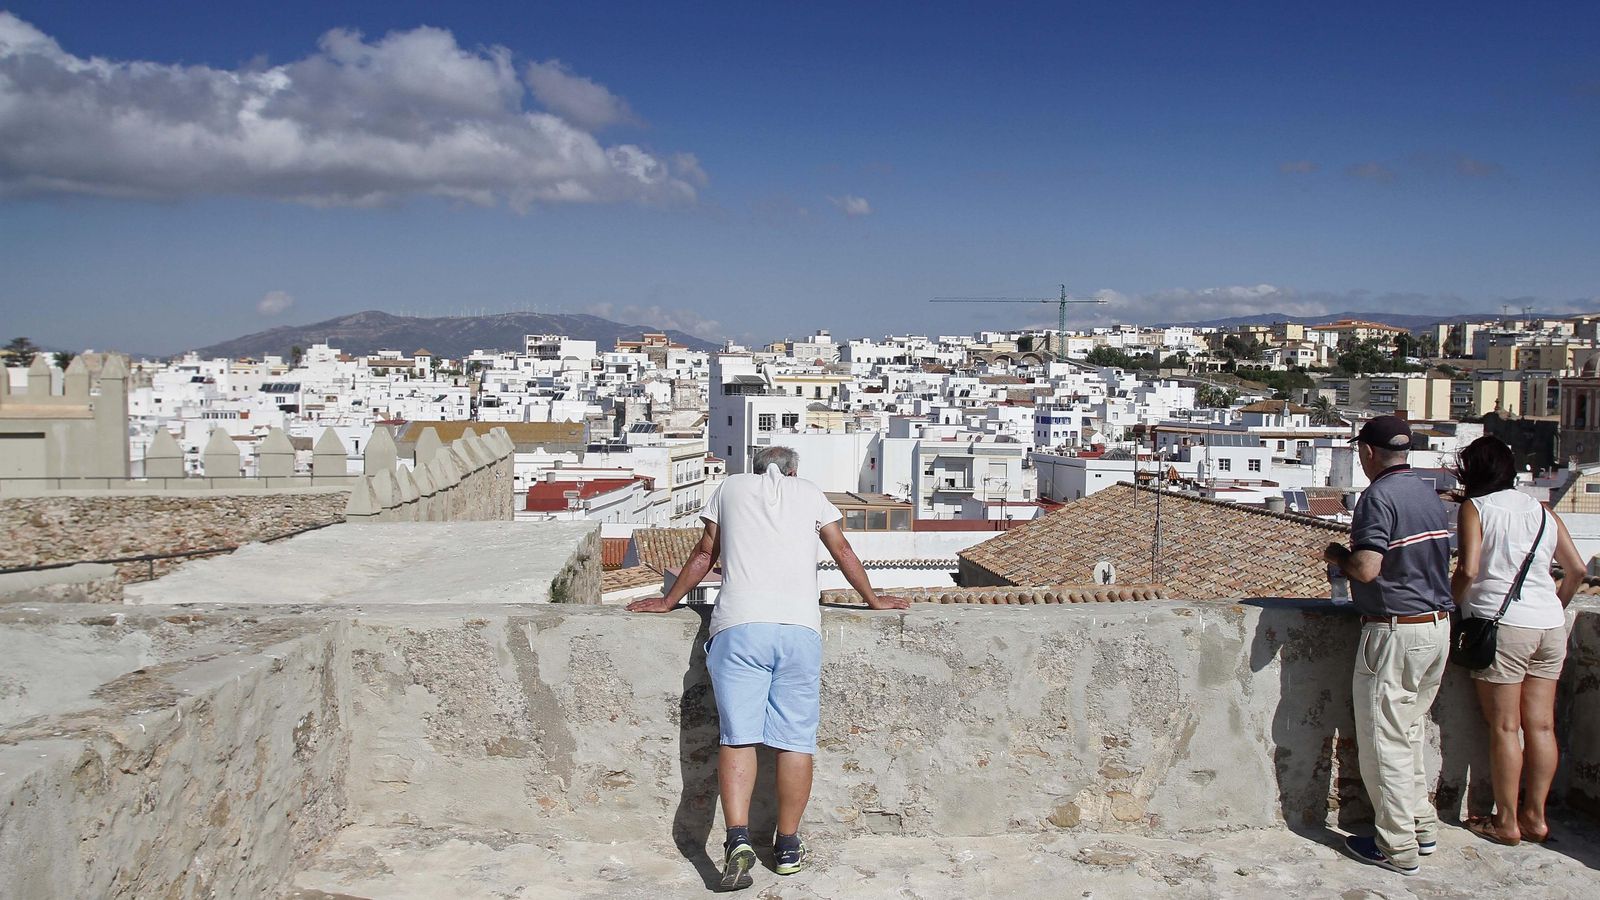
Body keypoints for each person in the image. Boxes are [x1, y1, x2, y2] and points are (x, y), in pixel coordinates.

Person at [628, 446, 908, 891]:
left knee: (738, 737)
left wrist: (667, 601)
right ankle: (789, 845)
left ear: (753, 470)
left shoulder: (730, 487)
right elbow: (842, 548)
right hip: (798, 630)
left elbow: (705, 553)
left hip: (738, 627)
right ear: (794, 472)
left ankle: (737, 839)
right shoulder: (810, 492)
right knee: (795, 742)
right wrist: (873, 600)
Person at [1323, 415, 1454, 876]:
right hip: (1437, 628)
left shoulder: (1378, 498)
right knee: (1410, 733)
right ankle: (1422, 825)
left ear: (1367, 453)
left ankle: (1396, 846)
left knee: (1385, 742)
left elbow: (1366, 569)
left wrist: (1337, 556)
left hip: (1396, 631)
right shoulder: (1426, 493)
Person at [1450, 435, 1583, 846]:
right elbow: (1576, 570)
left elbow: (1469, 570)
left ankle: (1506, 822)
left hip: (1502, 625)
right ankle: (1536, 818)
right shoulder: (1542, 511)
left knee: (1506, 727)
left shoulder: (1476, 508)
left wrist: (1453, 604)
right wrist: (1553, 608)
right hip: (1549, 625)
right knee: (1541, 726)